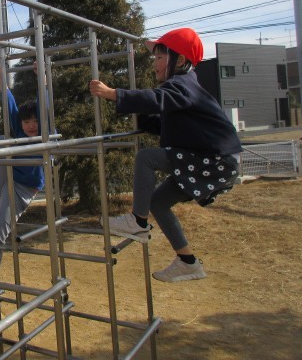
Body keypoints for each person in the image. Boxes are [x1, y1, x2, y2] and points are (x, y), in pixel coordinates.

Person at [88, 27, 242, 282]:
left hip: (216, 160)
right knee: (158, 202)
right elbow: (166, 126)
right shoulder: (184, 90)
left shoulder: (183, 84)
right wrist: (137, 116)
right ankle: (187, 262)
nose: (154, 64)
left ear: (179, 60)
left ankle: (137, 221)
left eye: (160, 57)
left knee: (146, 157)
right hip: (213, 160)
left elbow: (156, 98)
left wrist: (114, 94)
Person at [0, 64, 45, 294]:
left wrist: (42, 78)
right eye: (27, 122)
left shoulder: (43, 137)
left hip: (22, 190)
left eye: (35, 121)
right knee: (2, 139)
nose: (31, 125)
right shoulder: (19, 132)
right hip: (7, 174)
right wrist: (2, 80)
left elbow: (45, 105)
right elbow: (11, 107)